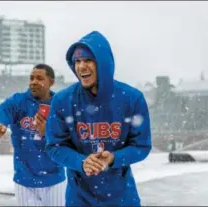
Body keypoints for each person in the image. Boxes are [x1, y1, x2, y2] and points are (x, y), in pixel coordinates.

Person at [45, 31, 152, 206]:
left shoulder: (132, 98)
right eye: (77, 61)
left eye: (88, 60)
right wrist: (81, 162)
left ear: (103, 64)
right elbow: (55, 146)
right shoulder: (63, 100)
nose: (81, 67)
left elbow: (141, 145)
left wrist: (114, 158)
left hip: (122, 198)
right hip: (79, 198)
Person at [0, 64, 66, 206]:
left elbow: (68, 137)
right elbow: (1, 113)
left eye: (39, 78)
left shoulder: (59, 104)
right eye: (31, 78)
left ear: (51, 82)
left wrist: (48, 132)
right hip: (25, 180)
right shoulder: (18, 101)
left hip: (55, 179)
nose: (33, 81)